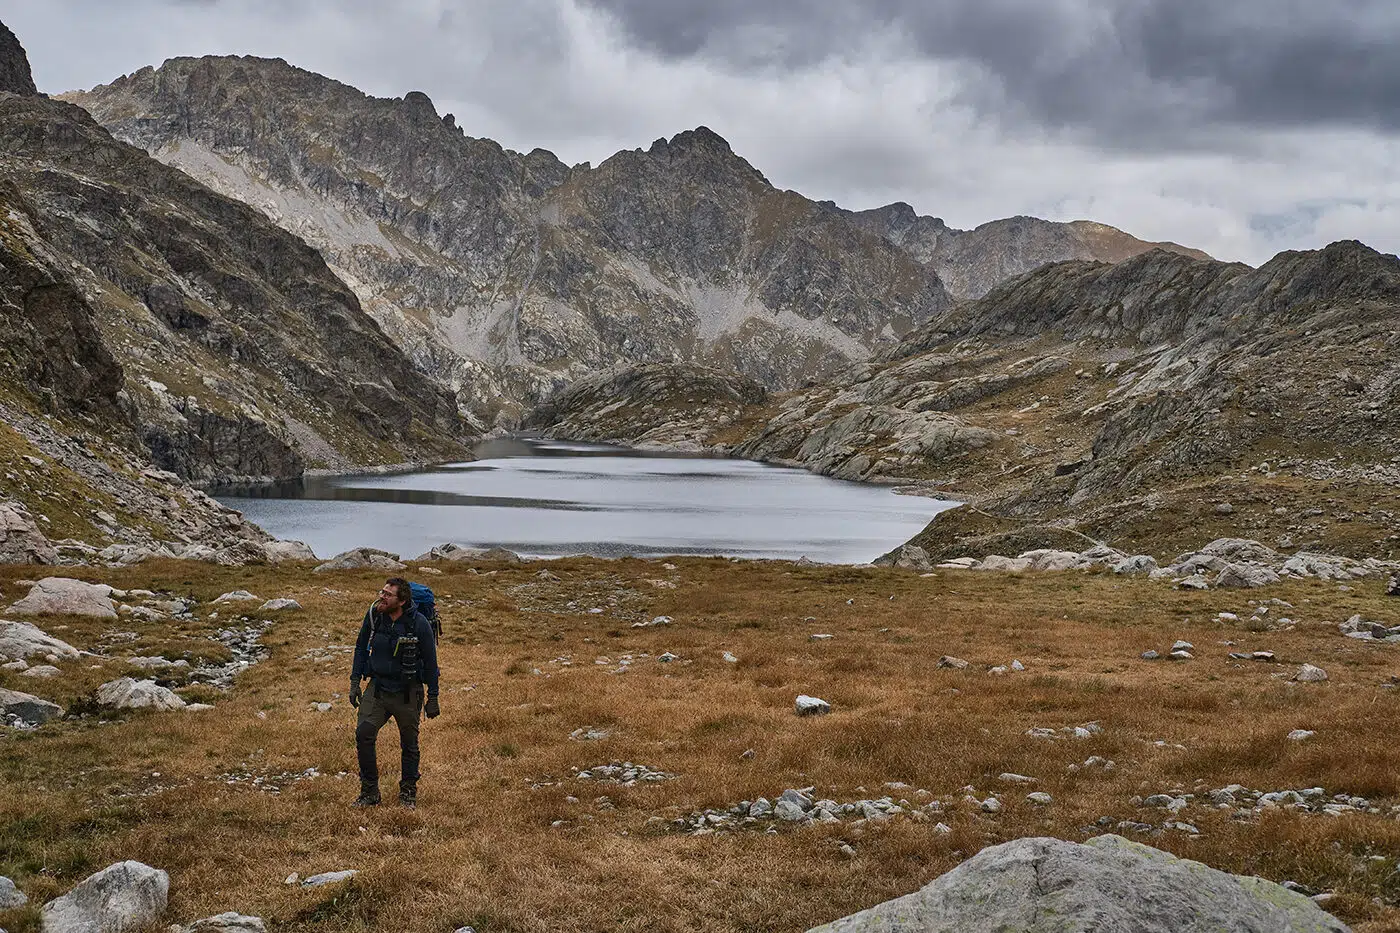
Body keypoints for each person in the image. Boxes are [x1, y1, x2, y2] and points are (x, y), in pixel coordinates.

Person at [350, 577, 440, 808]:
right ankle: (370, 793)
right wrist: (354, 682)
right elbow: (361, 648)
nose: (381, 596)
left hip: (408, 693)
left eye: (388, 594)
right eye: (382, 591)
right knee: (364, 734)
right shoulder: (374, 616)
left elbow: (431, 662)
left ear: (401, 601)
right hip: (378, 689)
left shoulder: (418, 623)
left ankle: (408, 792)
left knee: (409, 743)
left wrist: (433, 697)